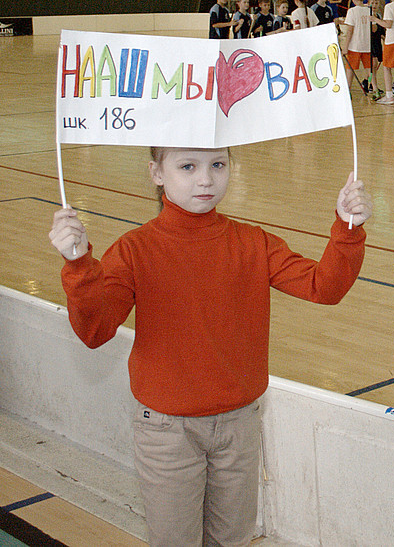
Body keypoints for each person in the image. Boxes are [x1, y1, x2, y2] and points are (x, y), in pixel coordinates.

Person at [49, 147, 371, 547]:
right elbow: (95, 330)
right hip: (167, 432)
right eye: (188, 166)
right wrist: (79, 265)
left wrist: (347, 227)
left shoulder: (253, 242)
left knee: (232, 541)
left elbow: (325, 286)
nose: (205, 179)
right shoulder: (134, 249)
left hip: (239, 425)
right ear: (157, 173)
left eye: (217, 165)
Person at [341, 0, 373, 94]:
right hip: (367, 46)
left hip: (354, 46)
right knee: (369, 70)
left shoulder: (352, 11)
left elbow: (350, 30)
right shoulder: (369, 10)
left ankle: (347, 90)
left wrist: (345, 47)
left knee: (350, 69)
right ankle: (374, 88)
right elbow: (373, 28)